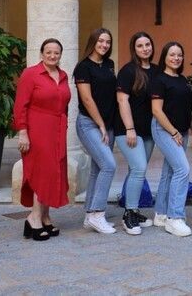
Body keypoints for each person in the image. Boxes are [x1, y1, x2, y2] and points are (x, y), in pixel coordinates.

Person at [13, 38, 71, 241]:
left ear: (60, 55)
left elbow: (64, 104)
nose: (52, 56)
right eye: (48, 52)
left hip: (57, 129)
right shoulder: (30, 74)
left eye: (56, 53)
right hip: (37, 128)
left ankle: (45, 216)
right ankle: (34, 218)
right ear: (41, 53)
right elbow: (20, 105)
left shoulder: (63, 75)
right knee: (42, 172)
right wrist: (22, 131)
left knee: (54, 170)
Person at [74, 28, 119, 234]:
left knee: (97, 169)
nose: (104, 45)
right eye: (100, 41)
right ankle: (97, 214)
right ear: (93, 42)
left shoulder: (109, 65)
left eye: (107, 42)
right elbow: (86, 99)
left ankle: (88, 215)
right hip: (89, 124)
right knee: (109, 165)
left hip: (108, 125)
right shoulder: (83, 67)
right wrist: (100, 124)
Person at [115, 31, 158, 235]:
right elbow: (122, 100)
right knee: (139, 168)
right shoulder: (128, 71)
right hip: (128, 130)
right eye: (140, 46)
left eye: (147, 44)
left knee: (137, 170)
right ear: (134, 49)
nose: (145, 49)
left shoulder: (157, 70)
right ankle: (129, 214)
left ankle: (133, 209)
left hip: (148, 131)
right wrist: (130, 128)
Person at [151, 41, 192, 237]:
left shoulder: (183, 80)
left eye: (179, 55)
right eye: (172, 54)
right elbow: (156, 111)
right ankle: (174, 218)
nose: (176, 58)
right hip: (164, 129)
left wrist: (191, 128)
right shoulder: (159, 80)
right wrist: (174, 132)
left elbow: (185, 107)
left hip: (182, 130)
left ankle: (161, 213)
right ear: (165, 57)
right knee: (182, 169)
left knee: (169, 172)